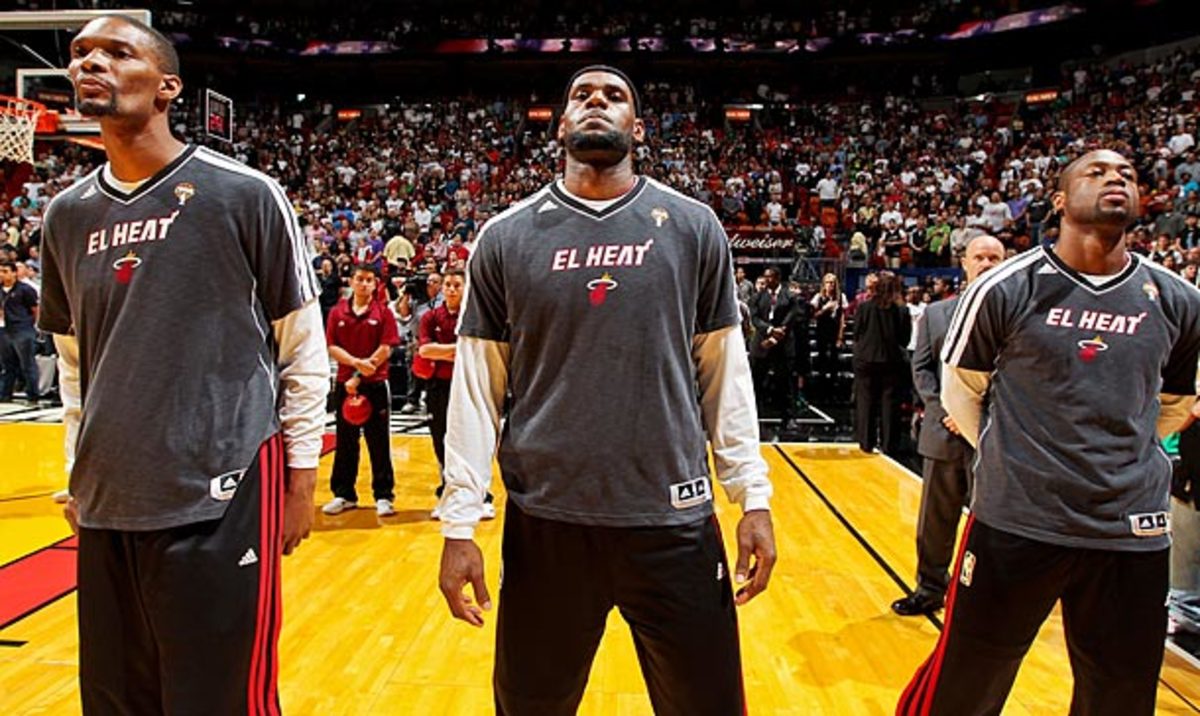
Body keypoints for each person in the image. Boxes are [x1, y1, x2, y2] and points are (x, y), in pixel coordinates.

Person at [437, 65, 776, 715]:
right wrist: (459, 523)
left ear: (637, 128)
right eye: (581, 96)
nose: (597, 101)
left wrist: (751, 495)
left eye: (614, 95)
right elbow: (478, 390)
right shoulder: (505, 237)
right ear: (561, 126)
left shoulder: (692, 226)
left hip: (672, 518)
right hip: (547, 526)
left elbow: (723, 373)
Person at [39, 15, 327, 715]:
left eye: (116, 52)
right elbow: (75, 366)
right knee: (117, 699)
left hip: (221, 491)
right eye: (80, 55)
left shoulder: (244, 193)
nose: (91, 64)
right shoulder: (65, 214)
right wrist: (79, 468)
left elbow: (301, 345)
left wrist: (300, 478)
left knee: (220, 700)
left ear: (169, 86)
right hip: (110, 498)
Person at [898, 149, 1200, 715]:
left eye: (1128, 175)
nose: (1116, 179)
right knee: (968, 684)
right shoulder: (1005, 288)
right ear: (1059, 201)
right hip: (1017, 521)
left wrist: (1121, 457)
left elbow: (1174, 405)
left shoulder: (1180, 300)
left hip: (1129, 531)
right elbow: (963, 394)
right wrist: (1017, 457)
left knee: (1121, 693)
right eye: (1097, 171)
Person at [891, 235, 1004, 617]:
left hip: (991, 437)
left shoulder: (1018, 315)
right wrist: (946, 410)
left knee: (991, 525)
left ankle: (982, 596)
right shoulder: (937, 314)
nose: (987, 263)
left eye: (995, 257)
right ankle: (929, 588)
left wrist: (975, 416)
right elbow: (921, 368)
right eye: (980, 256)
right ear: (965, 263)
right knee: (934, 522)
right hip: (942, 431)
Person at [323, 263, 400, 517]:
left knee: (378, 442)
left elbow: (386, 347)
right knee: (345, 442)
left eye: (369, 280)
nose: (364, 283)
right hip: (345, 386)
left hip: (375, 385)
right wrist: (356, 365)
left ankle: (384, 495)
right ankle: (344, 494)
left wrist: (364, 370)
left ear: (376, 283)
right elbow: (332, 346)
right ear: (351, 282)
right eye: (360, 279)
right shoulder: (337, 312)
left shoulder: (384, 313)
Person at [418, 267, 494, 520]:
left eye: (456, 285)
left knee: (474, 439)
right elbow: (425, 351)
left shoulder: (475, 316)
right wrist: (458, 348)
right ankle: (446, 495)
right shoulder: (430, 317)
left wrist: (445, 350)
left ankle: (483, 496)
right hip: (438, 387)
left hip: (469, 383)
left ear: (465, 288)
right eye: (447, 284)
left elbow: (477, 349)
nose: (451, 289)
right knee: (441, 440)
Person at [852, 271, 910, 455]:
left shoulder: (864, 307)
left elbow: (856, 333)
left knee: (866, 401)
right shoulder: (902, 310)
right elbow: (904, 339)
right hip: (892, 360)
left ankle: (866, 443)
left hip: (866, 359)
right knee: (890, 404)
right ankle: (889, 445)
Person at [750, 266, 802, 421]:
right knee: (756, 383)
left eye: (770, 277)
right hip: (762, 344)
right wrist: (770, 330)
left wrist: (776, 336)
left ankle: (787, 418)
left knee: (784, 384)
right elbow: (755, 318)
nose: (767, 280)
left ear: (778, 278)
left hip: (782, 345)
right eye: (765, 276)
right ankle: (753, 417)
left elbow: (791, 318)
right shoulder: (757, 297)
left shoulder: (790, 297)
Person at [0, 260, 40, 404]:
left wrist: (33, 326)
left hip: (22, 329)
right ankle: (5, 394)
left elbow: (35, 309)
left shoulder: (25, 289)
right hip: (4, 330)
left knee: (27, 364)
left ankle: (33, 395)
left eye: (5, 271)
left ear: (14, 273)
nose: (2, 275)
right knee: (7, 365)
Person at [809, 272, 847, 401]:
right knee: (822, 360)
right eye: (828, 282)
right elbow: (813, 316)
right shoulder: (818, 297)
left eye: (832, 283)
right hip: (822, 332)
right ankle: (821, 390)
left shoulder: (841, 297)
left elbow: (842, 318)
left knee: (834, 361)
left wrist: (840, 337)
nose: (830, 285)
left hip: (835, 332)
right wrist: (825, 309)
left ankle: (834, 391)